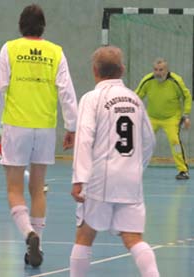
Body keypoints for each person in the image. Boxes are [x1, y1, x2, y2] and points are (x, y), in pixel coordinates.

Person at [0, 4, 78, 267]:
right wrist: (72, 126)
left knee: (14, 189)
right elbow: (67, 92)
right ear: (43, 26)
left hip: (16, 126)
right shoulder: (55, 52)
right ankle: (39, 244)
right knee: (38, 188)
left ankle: (29, 233)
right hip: (45, 127)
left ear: (20, 25)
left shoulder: (10, 48)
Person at [70, 46, 159, 277]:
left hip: (100, 179)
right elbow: (149, 141)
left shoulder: (92, 98)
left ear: (94, 70)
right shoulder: (135, 99)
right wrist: (136, 168)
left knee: (85, 235)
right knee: (133, 238)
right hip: (130, 180)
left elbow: (84, 138)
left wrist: (79, 178)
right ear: (122, 70)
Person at [135, 58, 192, 180]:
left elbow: (187, 97)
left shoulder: (176, 81)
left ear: (167, 70)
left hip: (171, 118)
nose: (158, 73)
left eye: (161, 70)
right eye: (155, 69)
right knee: (141, 141)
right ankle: (133, 168)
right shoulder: (147, 80)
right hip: (152, 118)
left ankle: (183, 170)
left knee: (175, 142)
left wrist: (186, 115)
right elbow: (136, 97)